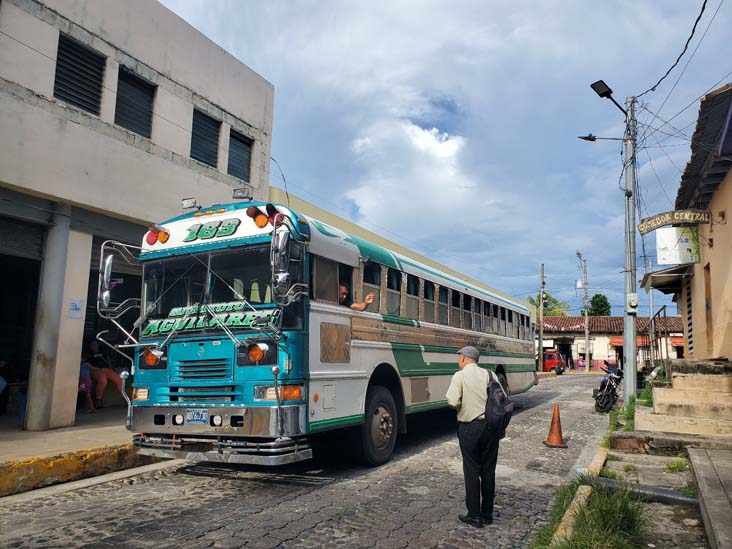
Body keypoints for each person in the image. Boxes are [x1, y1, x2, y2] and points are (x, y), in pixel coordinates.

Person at [446, 345, 501, 528]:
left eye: (459, 357)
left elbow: (453, 401)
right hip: (491, 428)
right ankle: (488, 514)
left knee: (471, 471)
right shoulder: (490, 375)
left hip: (470, 428)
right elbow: (502, 400)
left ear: (463, 359)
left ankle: (474, 516)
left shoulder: (459, 376)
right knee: (488, 471)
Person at [86, 340, 124, 408]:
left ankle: (125, 398)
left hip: (106, 369)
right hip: (95, 370)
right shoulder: (88, 354)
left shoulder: (103, 352)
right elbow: (88, 365)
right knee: (103, 380)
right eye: (92, 345)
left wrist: (112, 369)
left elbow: (108, 361)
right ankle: (98, 400)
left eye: (95, 344)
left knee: (119, 379)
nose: (94, 346)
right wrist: (98, 369)